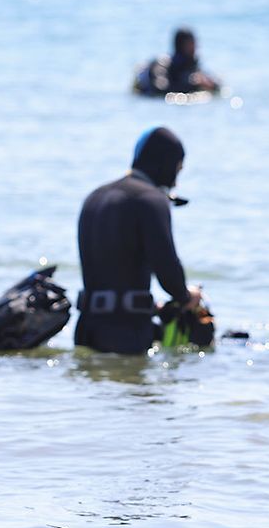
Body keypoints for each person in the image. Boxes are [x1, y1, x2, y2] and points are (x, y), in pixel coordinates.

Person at [74, 127, 203, 354]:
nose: (176, 183)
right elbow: (167, 267)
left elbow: (112, 270)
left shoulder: (95, 196)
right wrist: (185, 295)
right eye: (178, 169)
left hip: (87, 327)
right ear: (166, 164)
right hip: (126, 332)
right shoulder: (150, 200)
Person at [134, 27, 221, 97]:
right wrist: (193, 85)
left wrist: (207, 84)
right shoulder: (162, 64)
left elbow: (217, 86)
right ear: (181, 45)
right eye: (191, 44)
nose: (195, 48)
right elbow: (160, 88)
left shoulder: (192, 66)